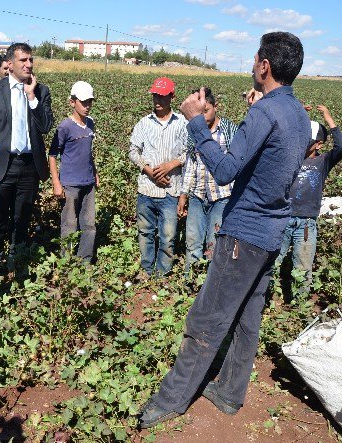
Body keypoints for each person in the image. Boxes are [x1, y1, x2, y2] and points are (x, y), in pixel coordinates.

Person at [138, 32, 310, 428]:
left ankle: (170, 399)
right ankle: (229, 393)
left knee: (208, 318)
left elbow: (227, 170)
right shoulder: (298, 114)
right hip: (271, 234)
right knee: (248, 321)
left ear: (264, 66)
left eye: (255, 59)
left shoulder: (265, 112)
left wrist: (196, 123)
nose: (252, 65)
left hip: (244, 233)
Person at [0, 42, 54, 279]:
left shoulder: (41, 91)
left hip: (29, 165)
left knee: (22, 218)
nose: (29, 65)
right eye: (23, 60)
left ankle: (18, 263)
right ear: (9, 64)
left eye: (31, 60)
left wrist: (31, 96)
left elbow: (45, 126)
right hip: (1, 164)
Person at [276, 105, 342, 293]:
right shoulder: (290, 155)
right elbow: (283, 133)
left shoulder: (323, 161)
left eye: (307, 141)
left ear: (319, 144)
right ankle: (269, 298)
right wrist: (298, 113)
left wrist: (328, 118)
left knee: (303, 267)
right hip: (283, 217)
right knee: (272, 262)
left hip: (307, 222)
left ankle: (299, 307)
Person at [129, 77, 188, 277]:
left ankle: (162, 274)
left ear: (172, 97)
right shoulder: (144, 123)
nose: (158, 101)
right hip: (146, 189)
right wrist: (149, 171)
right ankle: (146, 270)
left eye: (162, 97)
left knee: (168, 236)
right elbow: (133, 151)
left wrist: (171, 164)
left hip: (171, 190)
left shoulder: (182, 123)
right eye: (155, 95)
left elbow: (191, 151)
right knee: (145, 232)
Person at [178, 87, 239, 273]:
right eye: (199, 112)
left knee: (214, 244)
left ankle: (210, 286)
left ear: (216, 107)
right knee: (193, 242)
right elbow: (190, 164)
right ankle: (190, 284)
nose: (202, 116)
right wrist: (183, 195)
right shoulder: (193, 131)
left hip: (222, 197)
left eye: (206, 110)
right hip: (197, 195)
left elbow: (236, 165)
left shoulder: (229, 130)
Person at [48, 81, 98, 263]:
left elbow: (88, 152)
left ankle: (85, 261)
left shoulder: (90, 123)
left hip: (88, 183)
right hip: (69, 184)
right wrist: (56, 183)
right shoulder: (64, 127)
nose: (87, 106)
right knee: (69, 225)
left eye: (89, 102)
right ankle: (66, 263)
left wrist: (95, 173)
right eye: (83, 102)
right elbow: (52, 155)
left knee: (89, 225)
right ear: (72, 102)